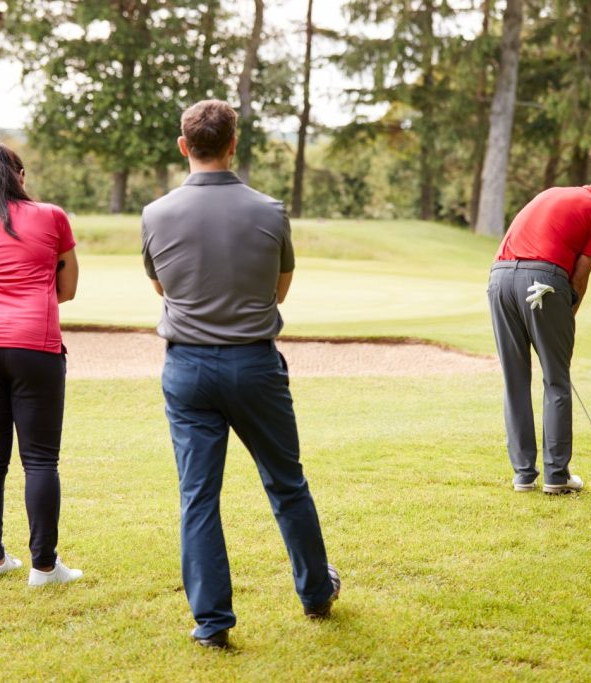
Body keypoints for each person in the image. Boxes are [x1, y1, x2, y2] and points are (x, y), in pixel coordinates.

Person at [141, 100, 340, 649]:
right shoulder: (270, 211)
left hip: (187, 368)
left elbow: (161, 288)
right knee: (286, 482)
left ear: (184, 146)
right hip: (254, 364)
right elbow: (280, 289)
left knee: (198, 496)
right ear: (234, 145)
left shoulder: (155, 213)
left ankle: (211, 623)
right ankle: (315, 592)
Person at [0, 141, 82, 586]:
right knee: (41, 460)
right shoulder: (52, 216)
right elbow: (67, 289)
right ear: (21, 176)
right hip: (35, 345)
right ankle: (44, 568)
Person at [487, 174, 591, 494]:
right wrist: (567, 318)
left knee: (515, 381)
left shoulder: (551, 193)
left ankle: (523, 476)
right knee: (556, 381)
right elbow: (580, 275)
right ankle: (556, 476)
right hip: (542, 282)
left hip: (499, 279)